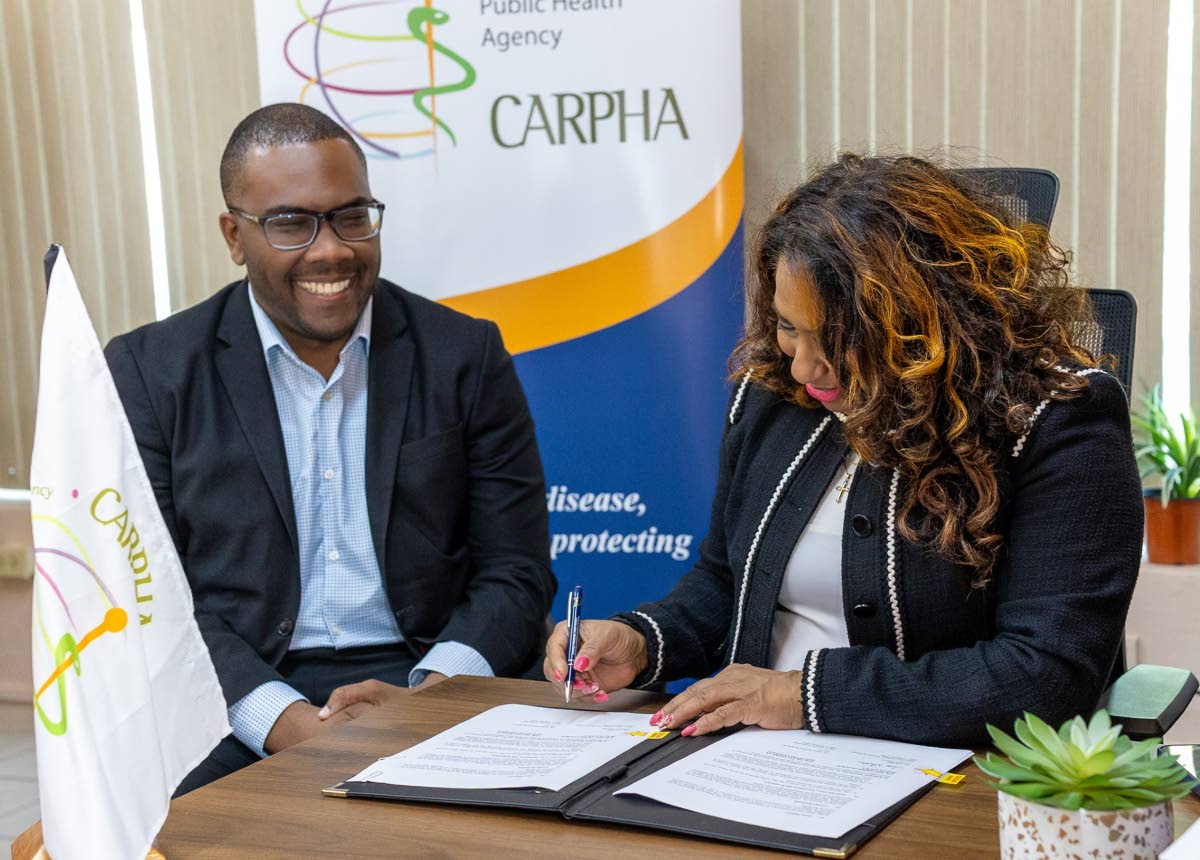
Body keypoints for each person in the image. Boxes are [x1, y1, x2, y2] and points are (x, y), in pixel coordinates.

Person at [542, 153, 1142, 746]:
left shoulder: (1058, 421)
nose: (803, 366)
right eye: (787, 326)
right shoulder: (773, 392)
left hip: (949, 777)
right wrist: (641, 641)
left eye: (833, 339)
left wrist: (802, 694)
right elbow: (727, 581)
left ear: (926, 328)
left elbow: (1044, 676)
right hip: (745, 762)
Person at [105, 103, 555, 792]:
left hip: (430, 676)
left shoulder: (464, 354)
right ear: (234, 235)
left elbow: (516, 571)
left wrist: (430, 696)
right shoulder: (151, 373)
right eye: (291, 223)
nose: (331, 250)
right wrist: (282, 719)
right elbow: (152, 601)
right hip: (238, 690)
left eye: (351, 215)